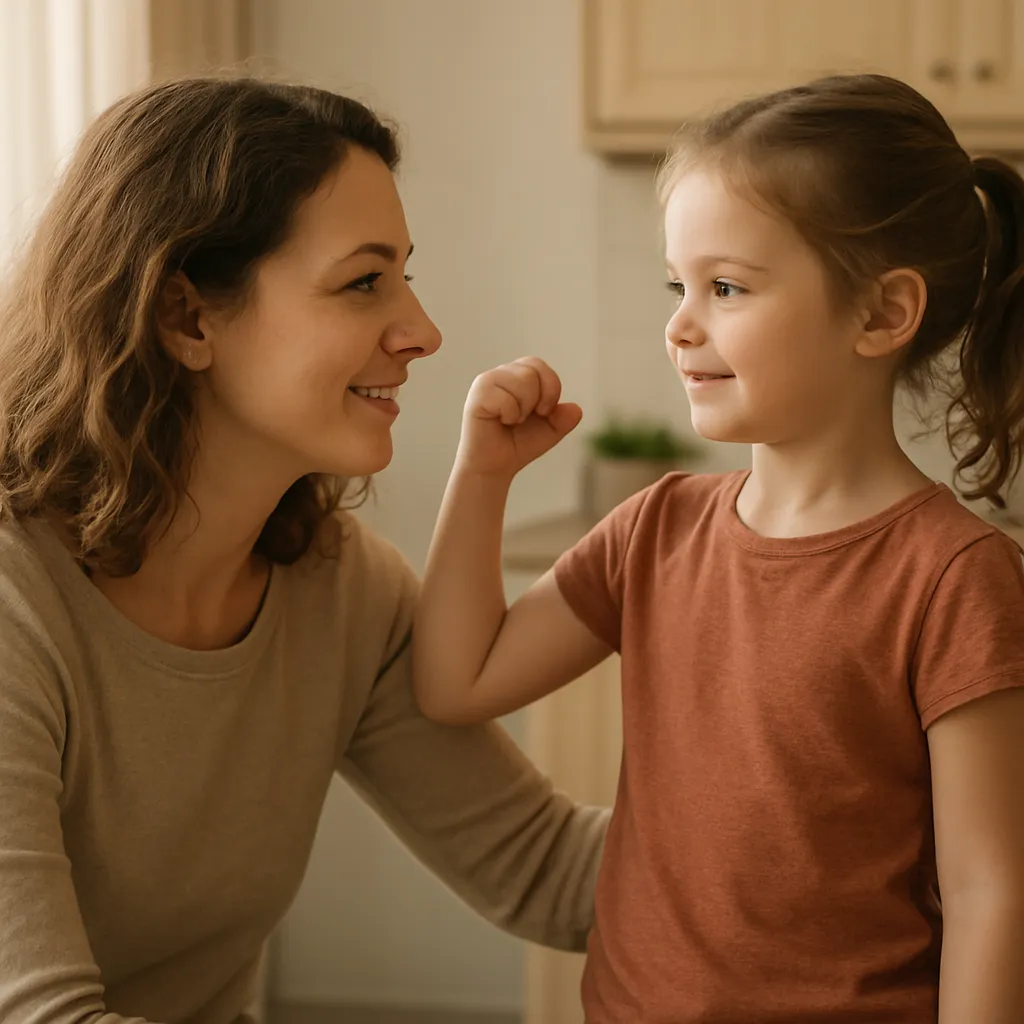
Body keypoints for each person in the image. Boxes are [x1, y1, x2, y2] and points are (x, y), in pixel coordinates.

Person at [412, 74, 1024, 1022]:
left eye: (726, 288)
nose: (680, 325)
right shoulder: (653, 531)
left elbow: (991, 892)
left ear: (880, 315)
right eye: (679, 285)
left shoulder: (956, 578)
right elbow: (458, 682)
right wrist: (481, 475)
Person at [0, 77, 608, 1024]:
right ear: (187, 318)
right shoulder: (17, 603)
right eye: (364, 282)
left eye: (405, 276)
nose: (422, 332)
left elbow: (547, 872)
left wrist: (836, 819)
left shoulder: (338, 585)